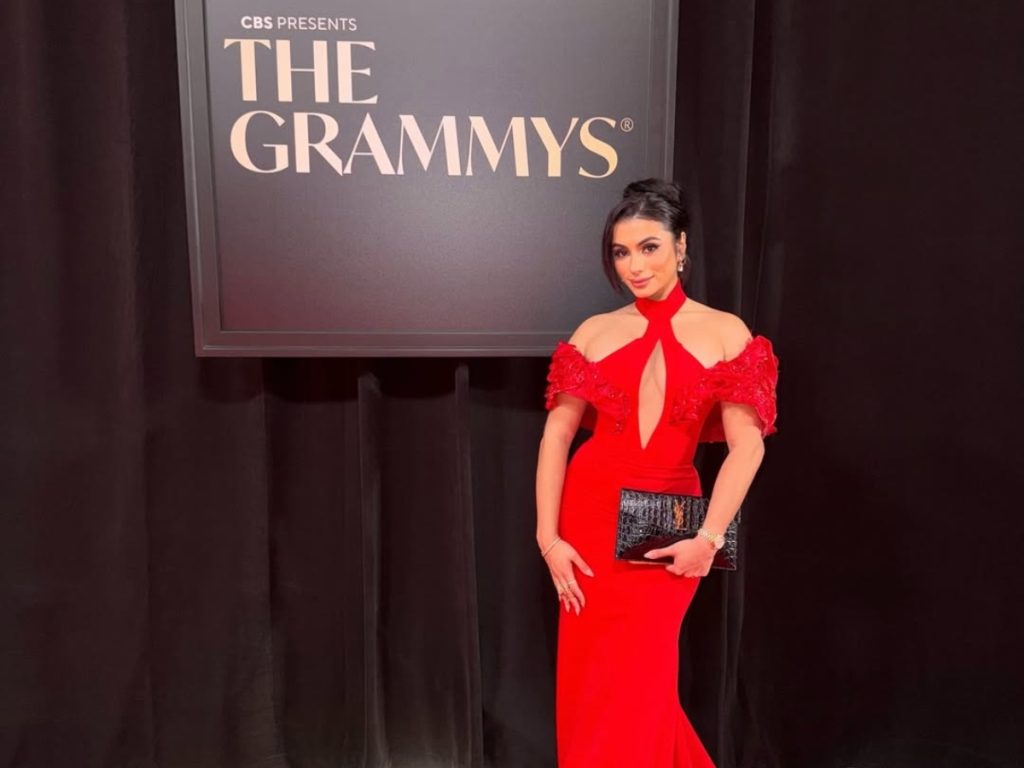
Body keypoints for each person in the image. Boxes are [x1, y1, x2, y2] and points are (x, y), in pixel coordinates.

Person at [535, 178, 779, 767]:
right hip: (588, 514)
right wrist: (549, 539)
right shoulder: (594, 330)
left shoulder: (726, 332)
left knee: (642, 676)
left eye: (649, 247)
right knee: (593, 680)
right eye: (621, 252)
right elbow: (557, 437)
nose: (634, 265)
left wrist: (710, 539)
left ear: (680, 246)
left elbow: (748, 449)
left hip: (672, 518)